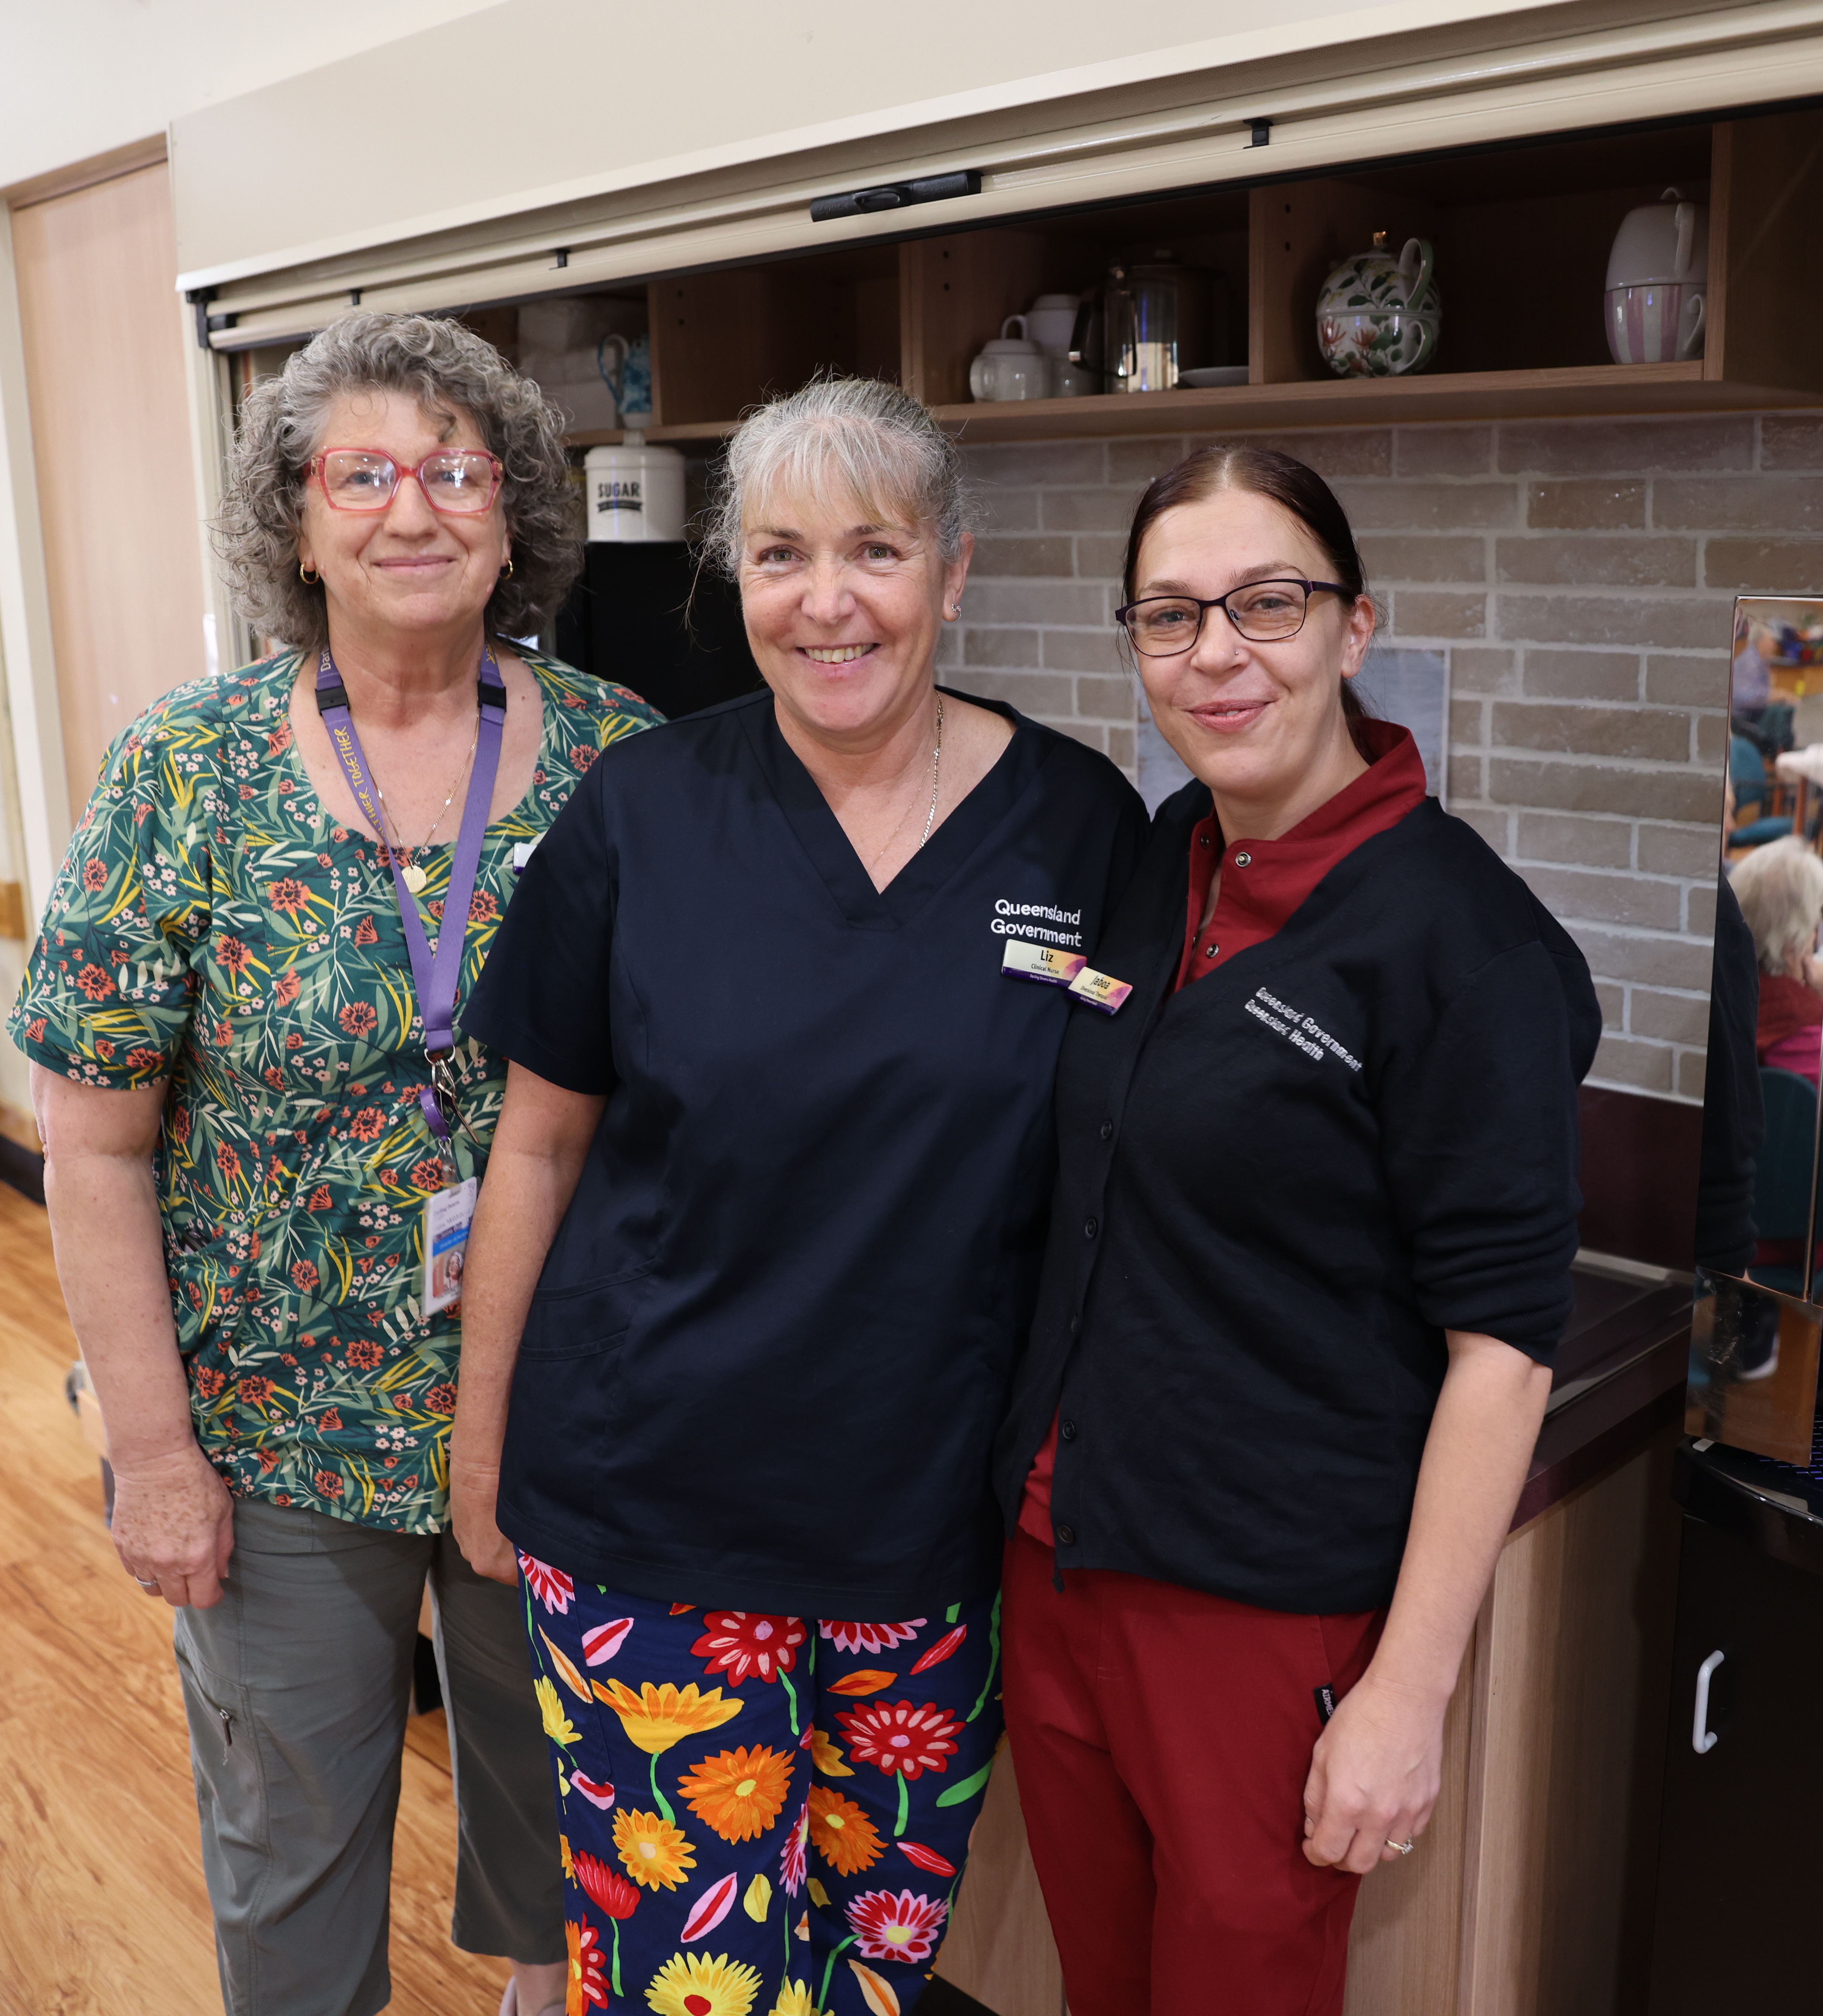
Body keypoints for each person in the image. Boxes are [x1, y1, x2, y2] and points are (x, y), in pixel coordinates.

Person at [447, 375, 1146, 2016]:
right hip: (651, 1524)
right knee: (689, 1987)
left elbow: (1129, 1160)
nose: (827, 600)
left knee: (870, 1976)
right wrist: (483, 1448)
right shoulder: (641, 815)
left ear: (952, 573)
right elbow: (535, 1148)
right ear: (734, 584)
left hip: (927, 1537)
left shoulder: (1079, 829)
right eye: (779, 555)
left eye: (874, 550)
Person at [12, 309, 658, 2016]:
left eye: (456, 469)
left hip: (565, 1417)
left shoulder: (629, 762)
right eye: (358, 472)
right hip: (279, 1428)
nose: (412, 508)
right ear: (294, 522)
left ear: (514, 509)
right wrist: (151, 1451)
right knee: (290, 1859)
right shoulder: (187, 769)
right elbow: (92, 1137)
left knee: (574, 1834)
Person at [991, 446, 1599, 2014]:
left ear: (1353, 625)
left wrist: (1407, 1689)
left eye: (1267, 603)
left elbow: (1505, 1351)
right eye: (1171, 615)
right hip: (1060, 1568)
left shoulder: (1460, 943)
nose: (1217, 653)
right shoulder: (1160, 857)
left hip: (1260, 1616)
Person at [1727, 836, 1823, 1080]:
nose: (1814, 938)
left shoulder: (1722, 987)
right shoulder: (1806, 1025)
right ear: (1792, 939)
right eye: (1813, 927)